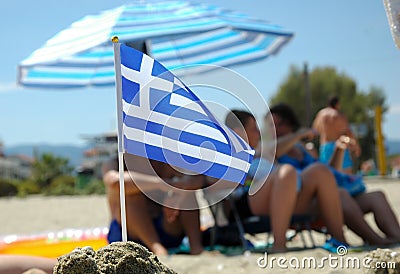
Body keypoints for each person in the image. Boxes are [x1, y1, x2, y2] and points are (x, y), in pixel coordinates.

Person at [268, 103, 400, 245]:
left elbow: (328, 173)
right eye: (271, 124)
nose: (275, 129)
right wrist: (298, 134)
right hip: (301, 202)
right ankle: (376, 241)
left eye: (279, 124)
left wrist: (339, 149)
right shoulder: (269, 149)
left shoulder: (303, 149)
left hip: (327, 197)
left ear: (290, 123)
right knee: (340, 194)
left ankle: (396, 239)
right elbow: (277, 150)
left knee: (376, 196)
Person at [221, 109, 347, 252]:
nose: (258, 132)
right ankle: (279, 245)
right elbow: (211, 182)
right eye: (254, 128)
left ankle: (340, 241)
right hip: (246, 203)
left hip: (281, 197)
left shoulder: (259, 153)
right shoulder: (228, 154)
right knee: (286, 172)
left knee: (319, 171)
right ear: (238, 132)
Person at [102, 153, 204, 255]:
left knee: (187, 194)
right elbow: (115, 181)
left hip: (166, 226)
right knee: (129, 193)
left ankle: (196, 247)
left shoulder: (163, 161)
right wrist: (162, 184)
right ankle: (157, 249)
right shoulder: (116, 162)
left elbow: (197, 179)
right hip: (128, 233)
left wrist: (179, 193)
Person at [312, 95, 361, 174]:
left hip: (325, 146)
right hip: (339, 146)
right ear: (337, 104)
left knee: (327, 174)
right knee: (346, 174)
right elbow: (348, 131)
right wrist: (356, 145)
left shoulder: (321, 114)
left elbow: (315, 130)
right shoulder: (339, 115)